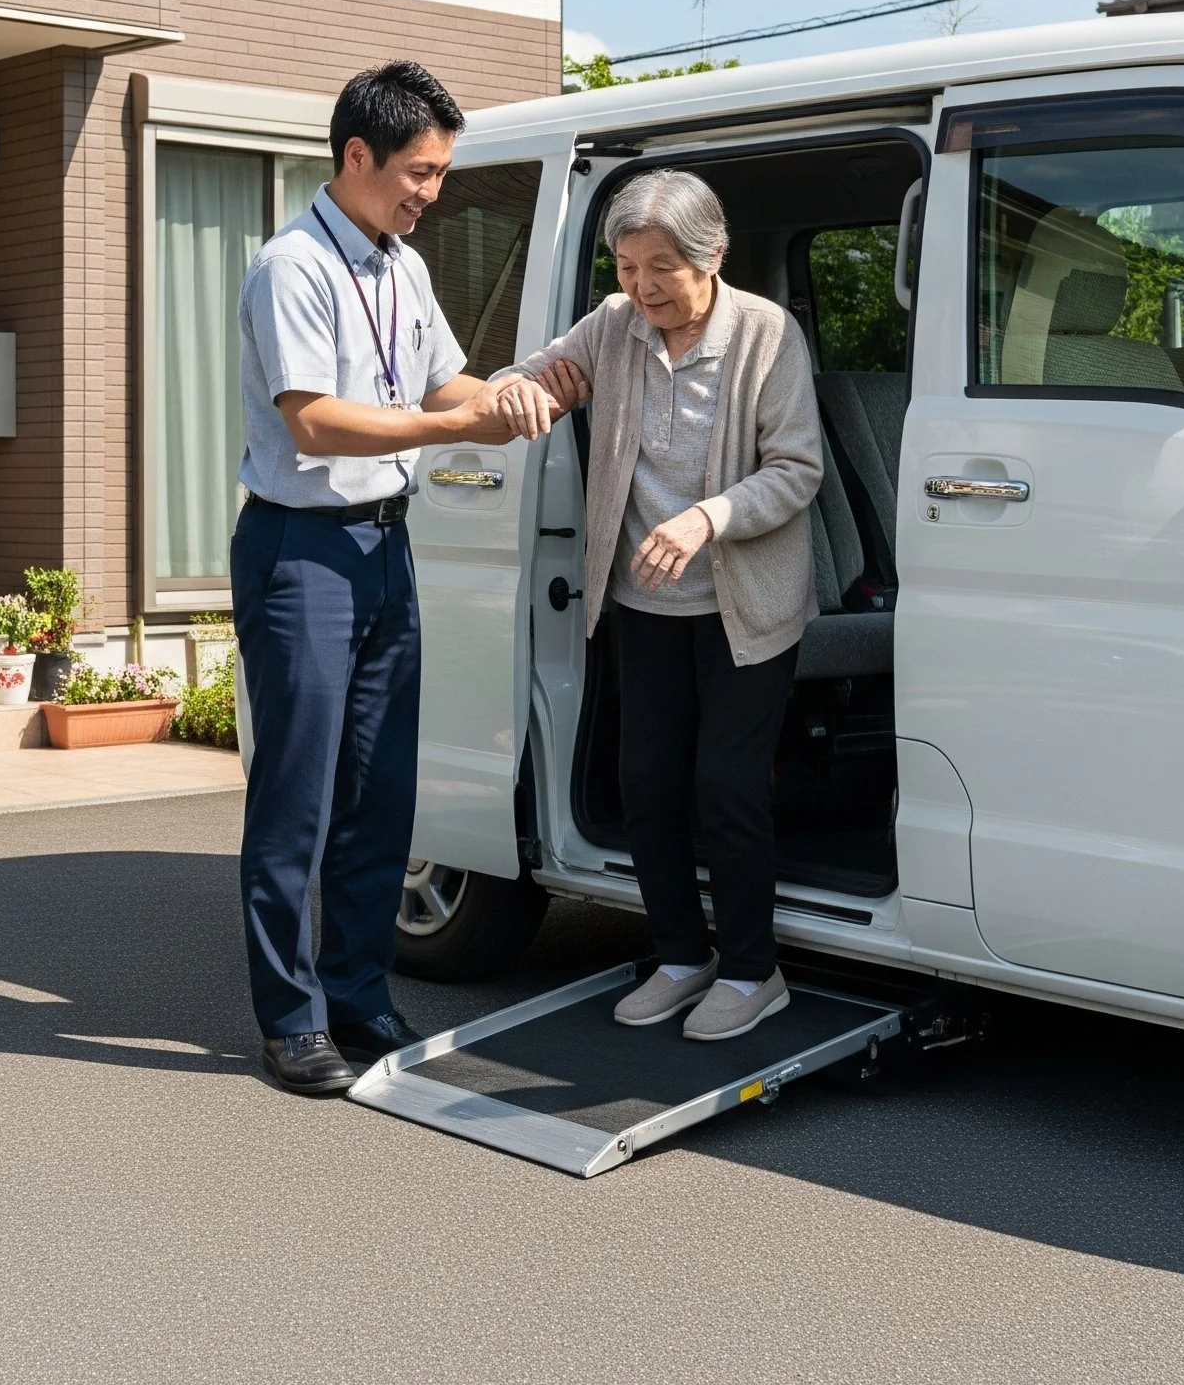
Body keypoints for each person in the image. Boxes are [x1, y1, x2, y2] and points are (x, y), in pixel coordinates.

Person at [233, 60, 555, 1096]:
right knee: (298, 798)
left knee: (380, 792)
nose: (429, 192)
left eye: (440, 173)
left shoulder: (399, 265)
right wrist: (458, 422)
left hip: (383, 542)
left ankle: (359, 994)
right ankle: (290, 1020)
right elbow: (315, 419)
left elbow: (439, 379)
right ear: (355, 154)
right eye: (417, 171)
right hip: (302, 546)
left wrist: (510, 390)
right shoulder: (294, 267)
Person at [493, 168, 822, 1041]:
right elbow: (530, 374)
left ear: (712, 257)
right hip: (643, 602)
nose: (642, 289)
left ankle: (754, 970)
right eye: (628, 268)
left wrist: (709, 518)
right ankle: (683, 954)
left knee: (727, 787)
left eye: (661, 268)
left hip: (744, 605)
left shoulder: (766, 335)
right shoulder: (615, 326)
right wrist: (521, 387)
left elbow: (798, 469)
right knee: (645, 783)